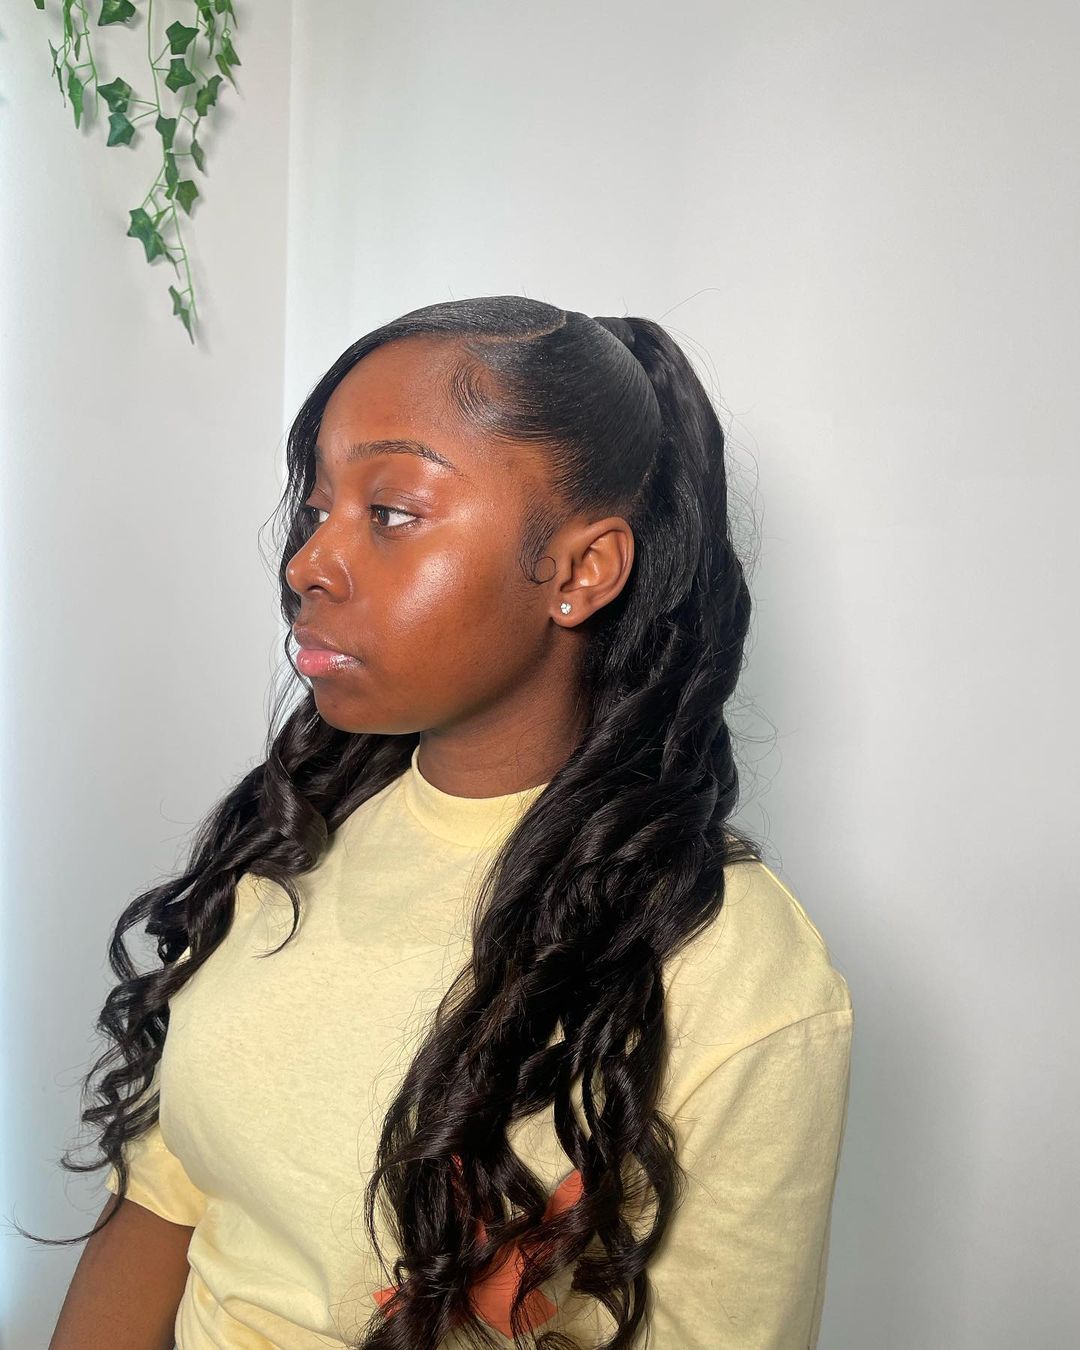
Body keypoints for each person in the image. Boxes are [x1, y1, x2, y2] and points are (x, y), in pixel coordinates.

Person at [38, 295, 854, 1349]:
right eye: (318, 508)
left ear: (581, 571)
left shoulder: (734, 967)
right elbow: (168, 1194)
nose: (306, 564)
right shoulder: (298, 829)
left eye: (390, 512)